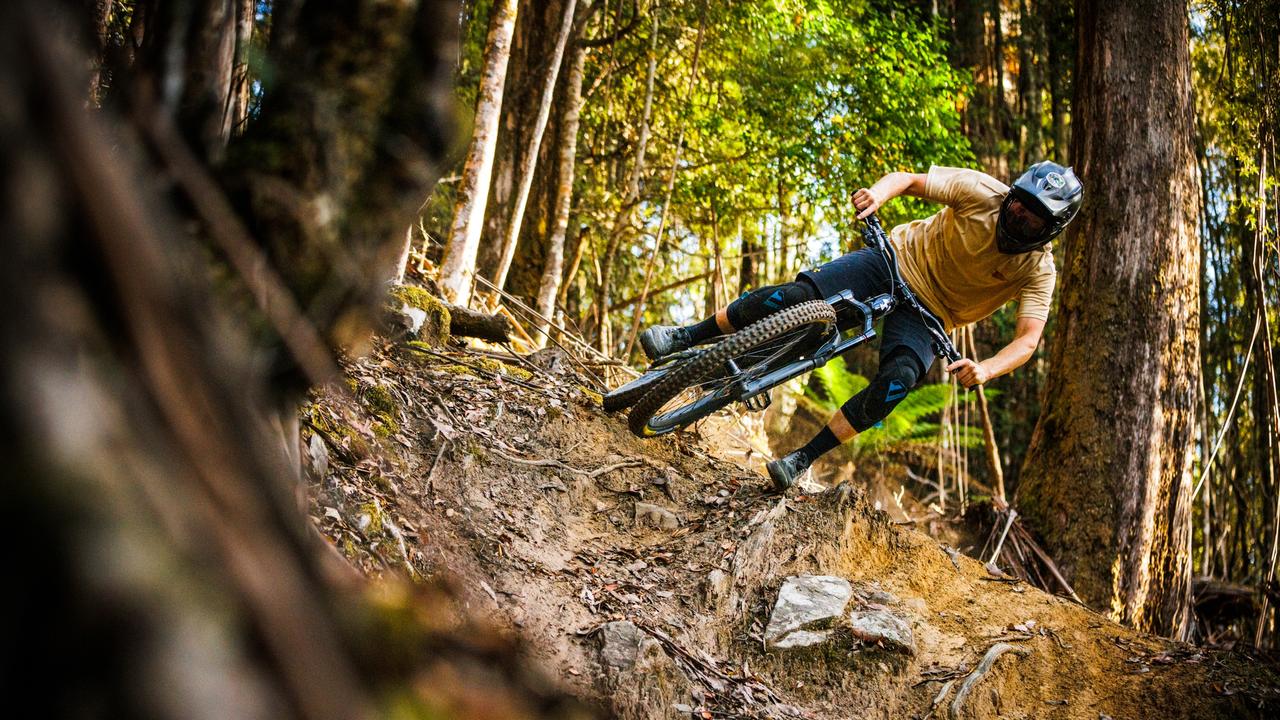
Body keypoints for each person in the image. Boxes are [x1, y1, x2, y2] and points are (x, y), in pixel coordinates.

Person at [638, 162, 1084, 491]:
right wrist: (877, 194)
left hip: (932, 314)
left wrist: (986, 368)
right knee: (793, 298)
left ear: (1051, 228)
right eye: (1019, 202)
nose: (1019, 214)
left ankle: (801, 459)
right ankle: (685, 336)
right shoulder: (982, 191)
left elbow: (1027, 341)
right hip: (893, 261)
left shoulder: (1038, 271)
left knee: (898, 383)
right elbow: (909, 181)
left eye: (1033, 215)